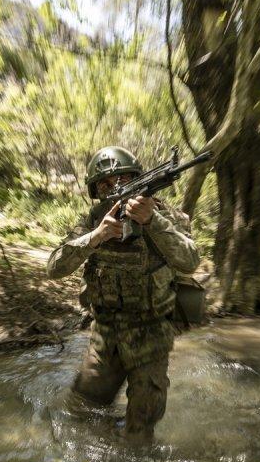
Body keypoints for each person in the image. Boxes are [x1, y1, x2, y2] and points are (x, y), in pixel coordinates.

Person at [46, 145, 199, 440]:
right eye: (104, 183)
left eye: (123, 178)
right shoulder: (94, 219)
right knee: (79, 415)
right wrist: (96, 237)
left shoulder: (167, 215)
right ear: (96, 189)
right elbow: (54, 267)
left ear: (137, 178)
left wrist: (152, 221)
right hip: (105, 338)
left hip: (151, 336)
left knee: (140, 432)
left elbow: (190, 262)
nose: (114, 186)